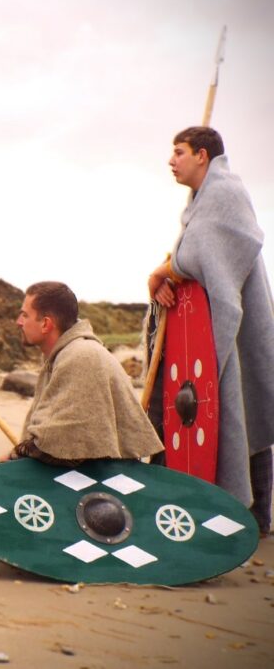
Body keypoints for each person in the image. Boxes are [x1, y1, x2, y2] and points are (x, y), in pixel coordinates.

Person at [147, 126, 274, 533]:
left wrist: (160, 272)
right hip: (210, 326)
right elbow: (191, 254)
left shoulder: (226, 192)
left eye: (179, 152)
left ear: (203, 156)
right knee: (215, 409)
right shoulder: (201, 201)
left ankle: (254, 517)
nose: (171, 161)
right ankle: (228, 513)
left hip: (234, 328)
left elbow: (198, 251)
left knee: (241, 408)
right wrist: (171, 278)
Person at [0, 281, 163, 465]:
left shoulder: (81, 355)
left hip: (103, 480)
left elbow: (57, 442)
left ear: (45, 324)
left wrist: (12, 457)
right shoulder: (65, 353)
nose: (18, 322)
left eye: (25, 315)